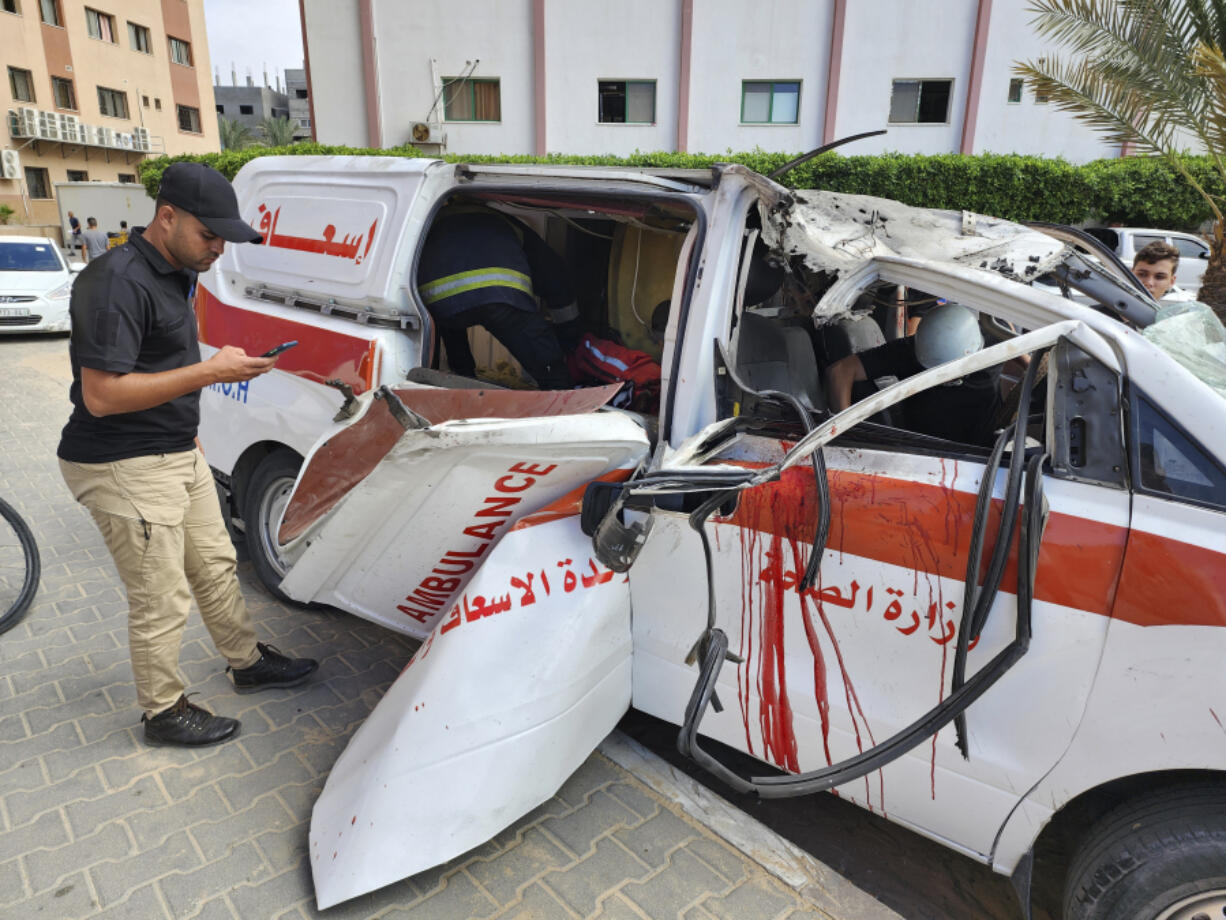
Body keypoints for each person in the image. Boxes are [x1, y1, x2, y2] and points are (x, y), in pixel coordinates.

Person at [57, 162, 318, 747]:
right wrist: (210, 370)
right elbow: (100, 396)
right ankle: (163, 711)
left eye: (224, 238)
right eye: (210, 235)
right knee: (161, 592)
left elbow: (156, 364)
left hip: (175, 448)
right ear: (166, 217)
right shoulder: (114, 282)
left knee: (215, 562)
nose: (218, 249)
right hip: (120, 461)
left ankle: (246, 663)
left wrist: (191, 428)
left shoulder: (178, 269)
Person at [417, 208, 577, 389]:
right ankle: (563, 400)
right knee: (548, 366)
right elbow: (556, 275)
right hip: (500, 295)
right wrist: (570, 336)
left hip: (439, 299)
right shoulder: (501, 219)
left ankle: (464, 380)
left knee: (452, 323)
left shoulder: (432, 219)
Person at [824, 302, 1001, 447]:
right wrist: (843, 432)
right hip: (923, 453)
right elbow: (840, 372)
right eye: (936, 372)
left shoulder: (996, 346)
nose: (946, 379)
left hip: (982, 453)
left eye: (951, 372)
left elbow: (1025, 361)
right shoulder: (908, 351)